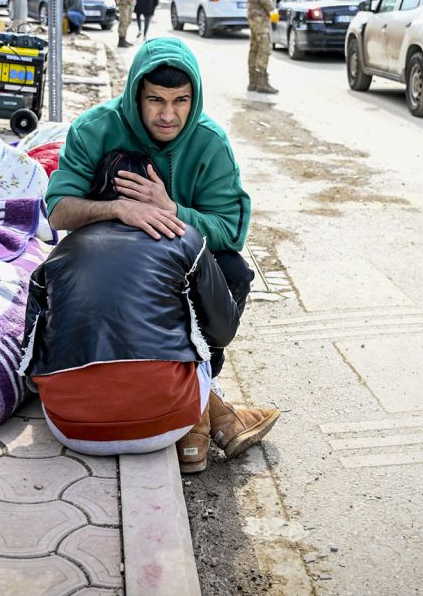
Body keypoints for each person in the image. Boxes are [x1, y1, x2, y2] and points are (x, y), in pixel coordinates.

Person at [45, 38, 277, 471]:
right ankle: (201, 420)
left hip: (181, 271)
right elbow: (57, 210)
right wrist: (118, 209)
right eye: (155, 100)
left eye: (180, 101)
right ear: (136, 92)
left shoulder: (210, 144)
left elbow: (231, 229)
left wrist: (172, 210)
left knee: (233, 271)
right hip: (108, 269)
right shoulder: (94, 129)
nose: (168, 115)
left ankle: (198, 405)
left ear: (195, 99)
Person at [20, 150, 275, 471]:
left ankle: (215, 423)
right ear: (157, 191)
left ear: (96, 194)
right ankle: (202, 430)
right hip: (168, 419)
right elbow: (222, 332)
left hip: (70, 428)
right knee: (192, 327)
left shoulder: (54, 259)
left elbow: (30, 364)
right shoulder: (184, 239)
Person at [246, 0, 280, 94]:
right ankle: (261, 83)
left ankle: (253, 82)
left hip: (256, 14)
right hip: (259, 15)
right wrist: (272, 9)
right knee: (264, 48)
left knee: (255, 47)